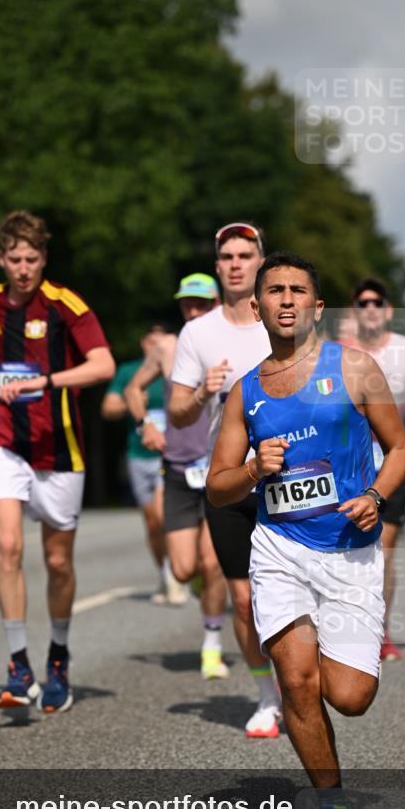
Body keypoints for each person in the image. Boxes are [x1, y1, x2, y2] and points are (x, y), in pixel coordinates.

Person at [207, 251, 405, 809]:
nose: (288, 299)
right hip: (279, 548)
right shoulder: (245, 394)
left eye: (299, 290)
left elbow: (400, 448)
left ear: (317, 306)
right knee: (296, 681)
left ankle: (329, 654)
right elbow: (217, 488)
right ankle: (331, 802)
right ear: (258, 307)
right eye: (275, 291)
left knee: (349, 697)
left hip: (349, 550)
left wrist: (374, 498)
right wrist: (251, 471)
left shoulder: (354, 368)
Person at [0, 210, 115, 712]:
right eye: (14, 259)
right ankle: (18, 664)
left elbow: (103, 365)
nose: (23, 268)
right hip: (1, 442)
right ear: (1, 259)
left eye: (32, 259)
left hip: (58, 449)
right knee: (8, 546)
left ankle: (58, 656)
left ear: (43, 259)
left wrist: (47, 381)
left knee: (58, 561)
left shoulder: (64, 304)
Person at [169, 223, 282, 737]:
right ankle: (266, 697)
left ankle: (302, 677)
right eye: (227, 256)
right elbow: (176, 414)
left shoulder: (283, 320)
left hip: (289, 479)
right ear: (218, 268)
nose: (236, 263)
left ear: (261, 262)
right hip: (230, 481)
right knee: (243, 599)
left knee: (297, 589)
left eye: (246, 254)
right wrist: (201, 393)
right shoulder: (198, 333)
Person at [124, 274, 229, 678]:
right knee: (184, 570)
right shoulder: (169, 347)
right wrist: (144, 426)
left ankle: (212, 644)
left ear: (217, 303)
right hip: (180, 470)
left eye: (201, 304)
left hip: (221, 468)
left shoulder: (229, 342)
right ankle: (204, 590)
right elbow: (134, 389)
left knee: (212, 561)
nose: (193, 311)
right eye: (187, 304)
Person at [343, 278, 405, 661]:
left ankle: (379, 631)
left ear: (389, 310)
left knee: (383, 549)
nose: (370, 309)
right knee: (342, 549)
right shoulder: (343, 350)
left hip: (393, 461)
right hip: (350, 463)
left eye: (376, 302)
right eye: (362, 303)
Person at [101, 323, 187, 604]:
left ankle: (178, 575)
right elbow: (108, 408)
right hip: (139, 455)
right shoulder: (130, 372)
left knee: (164, 515)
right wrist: (133, 404)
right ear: (143, 344)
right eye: (152, 343)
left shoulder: (181, 367)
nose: (156, 348)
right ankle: (165, 573)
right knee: (151, 523)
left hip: (171, 455)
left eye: (162, 342)